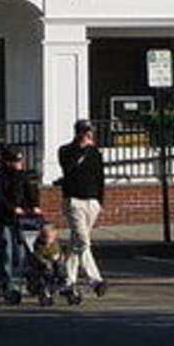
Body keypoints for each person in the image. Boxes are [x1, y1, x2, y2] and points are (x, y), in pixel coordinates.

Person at [57, 119, 108, 298]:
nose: (90, 135)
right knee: (83, 240)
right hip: (74, 200)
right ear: (79, 133)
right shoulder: (66, 150)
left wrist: (100, 201)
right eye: (86, 132)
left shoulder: (95, 153)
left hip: (91, 201)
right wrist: (83, 149)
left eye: (91, 131)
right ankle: (95, 280)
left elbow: (100, 177)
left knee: (75, 243)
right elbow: (68, 169)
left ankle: (67, 280)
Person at [0, 147, 43, 296]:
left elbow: (31, 192)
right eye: (16, 161)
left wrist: (35, 206)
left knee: (21, 254)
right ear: (7, 162)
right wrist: (12, 208)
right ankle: (7, 283)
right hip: (1, 219)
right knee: (7, 251)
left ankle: (0, 276)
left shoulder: (23, 176)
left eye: (20, 160)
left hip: (20, 220)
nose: (19, 163)